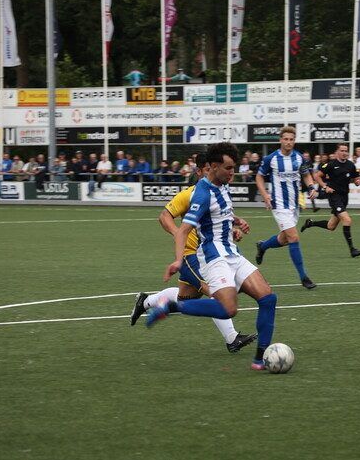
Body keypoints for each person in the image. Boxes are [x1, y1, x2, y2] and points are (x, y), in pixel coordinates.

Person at [151, 142, 278, 371]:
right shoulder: (201, 193)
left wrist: (236, 222)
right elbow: (183, 230)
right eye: (229, 168)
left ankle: (260, 360)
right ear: (212, 167)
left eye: (234, 167)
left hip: (232, 253)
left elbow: (221, 213)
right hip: (214, 258)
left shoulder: (223, 184)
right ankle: (171, 307)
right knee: (228, 309)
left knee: (268, 298)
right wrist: (178, 261)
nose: (233, 172)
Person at [130, 153, 257, 354]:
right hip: (192, 255)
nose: (213, 173)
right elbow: (164, 216)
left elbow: (217, 220)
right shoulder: (188, 194)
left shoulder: (216, 192)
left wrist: (234, 225)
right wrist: (177, 233)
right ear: (199, 172)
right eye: (208, 170)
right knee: (216, 292)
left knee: (185, 299)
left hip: (210, 253)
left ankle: (146, 301)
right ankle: (232, 338)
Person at [254, 126, 318, 289]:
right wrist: (265, 195)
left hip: (294, 205)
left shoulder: (299, 158)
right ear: (281, 140)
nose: (288, 142)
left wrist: (311, 187)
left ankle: (262, 246)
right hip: (279, 204)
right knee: (294, 238)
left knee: (284, 239)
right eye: (286, 139)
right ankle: (304, 277)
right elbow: (259, 177)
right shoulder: (271, 159)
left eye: (291, 139)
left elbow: (306, 175)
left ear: (294, 141)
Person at [301, 143, 360, 257]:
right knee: (347, 220)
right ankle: (352, 250)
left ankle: (310, 223)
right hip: (334, 196)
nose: (344, 153)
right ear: (337, 152)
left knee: (331, 226)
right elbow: (317, 176)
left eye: (346, 151)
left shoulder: (351, 165)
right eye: (342, 150)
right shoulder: (331, 164)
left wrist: (357, 181)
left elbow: (356, 177)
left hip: (344, 197)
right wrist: (325, 187)